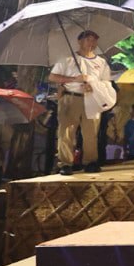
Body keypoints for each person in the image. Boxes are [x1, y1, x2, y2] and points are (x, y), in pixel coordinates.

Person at [47, 30, 111, 175]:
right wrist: (73, 80)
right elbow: (52, 76)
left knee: (91, 132)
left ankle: (90, 161)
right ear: (80, 41)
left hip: (92, 98)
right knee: (66, 131)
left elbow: (106, 82)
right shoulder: (67, 59)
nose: (91, 43)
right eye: (88, 40)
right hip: (71, 97)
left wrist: (94, 86)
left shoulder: (101, 62)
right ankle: (65, 163)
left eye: (94, 40)